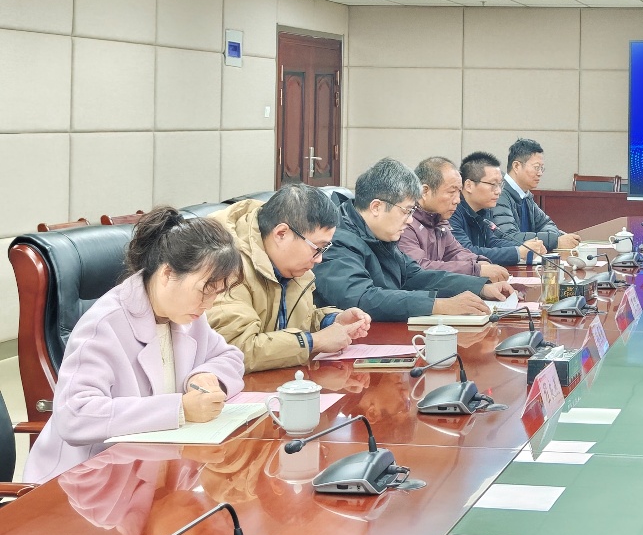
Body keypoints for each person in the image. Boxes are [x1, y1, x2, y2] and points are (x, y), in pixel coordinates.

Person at [24, 207, 245, 484]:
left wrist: (206, 376)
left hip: (152, 469)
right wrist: (178, 409)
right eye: (204, 290)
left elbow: (230, 356)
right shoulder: (104, 324)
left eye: (216, 294)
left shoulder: (187, 315)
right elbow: (74, 415)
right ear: (167, 273)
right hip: (86, 481)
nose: (208, 304)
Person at [315, 158, 513, 321]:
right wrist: (438, 305)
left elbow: (415, 275)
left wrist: (480, 287)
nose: (410, 219)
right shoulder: (335, 240)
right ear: (376, 207)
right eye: (407, 211)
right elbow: (361, 298)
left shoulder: (380, 235)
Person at [206, 183, 372, 373]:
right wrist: (314, 342)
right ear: (281, 233)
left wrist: (332, 321)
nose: (319, 259)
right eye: (317, 248)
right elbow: (236, 349)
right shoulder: (224, 264)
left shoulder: (290, 264)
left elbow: (294, 321)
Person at [398, 156, 509, 282]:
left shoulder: (439, 220)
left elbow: (455, 252)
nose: (457, 200)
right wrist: (475, 269)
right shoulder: (405, 223)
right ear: (424, 191)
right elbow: (419, 269)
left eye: (458, 192)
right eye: (451, 192)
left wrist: (479, 261)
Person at [450, 151, 547, 267]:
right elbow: (467, 252)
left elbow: (492, 242)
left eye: (500, 185)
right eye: (493, 184)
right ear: (469, 185)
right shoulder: (451, 211)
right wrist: (518, 252)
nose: (499, 191)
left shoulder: (483, 210)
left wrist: (525, 247)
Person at [489, 138, 580, 254]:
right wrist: (555, 241)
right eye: (536, 167)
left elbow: (547, 224)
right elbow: (508, 237)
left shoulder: (525, 196)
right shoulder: (499, 194)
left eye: (542, 168)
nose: (540, 173)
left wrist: (552, 238)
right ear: (516, 166)